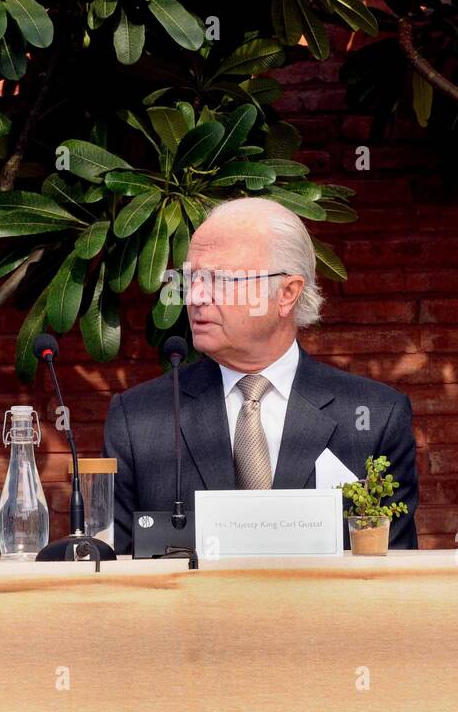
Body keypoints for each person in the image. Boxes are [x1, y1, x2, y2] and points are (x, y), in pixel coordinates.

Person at [105, 197, 420, 554]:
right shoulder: (139, 418)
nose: (194, 296)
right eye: (191, 277)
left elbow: (393, 576)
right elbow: (111, 576)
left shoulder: (375, 418)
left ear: (287, 293)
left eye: (220, 279)